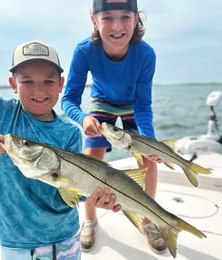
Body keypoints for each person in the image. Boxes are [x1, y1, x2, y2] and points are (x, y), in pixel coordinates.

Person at [0, 40, 120, 260]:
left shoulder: (69, 133)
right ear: (13, 83)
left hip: (65, 238)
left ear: (61, 84)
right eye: (27, 81)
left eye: (48, 81)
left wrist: (94, 196)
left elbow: (70, 193)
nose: (38, 89)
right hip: (16, 243)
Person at [61, 0, 167, 255]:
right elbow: (69, 99)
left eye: (124, 17)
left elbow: (143, 105)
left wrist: (148, 142)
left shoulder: (146, 53)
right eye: (107, 17)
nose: (117, 26)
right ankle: (89, 220)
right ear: (93, 20)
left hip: (133, 106)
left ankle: (146, 220)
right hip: (102, 105)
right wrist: (84, 118)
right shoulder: (84, 50)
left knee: (148, 161)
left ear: (136, 18)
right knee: (90, 163)